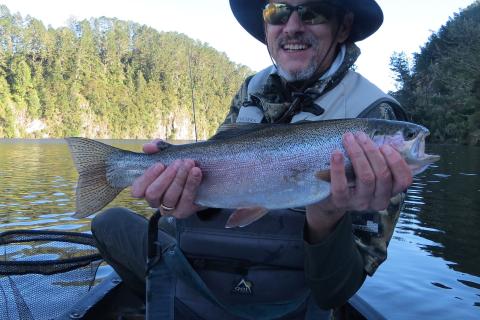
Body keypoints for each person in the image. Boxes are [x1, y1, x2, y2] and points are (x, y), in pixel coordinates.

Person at [91, 0, 413, 319]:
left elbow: (336, 292)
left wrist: (326, 220)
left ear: (342, 27)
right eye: (278, 12)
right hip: (216, 266)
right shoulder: (252, 89)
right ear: (266, 26)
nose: (292, 26)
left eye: (312, 11)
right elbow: (219, 169)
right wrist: (185, 202)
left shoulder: (376, 115)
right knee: (109, 223)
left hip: (295, 293)